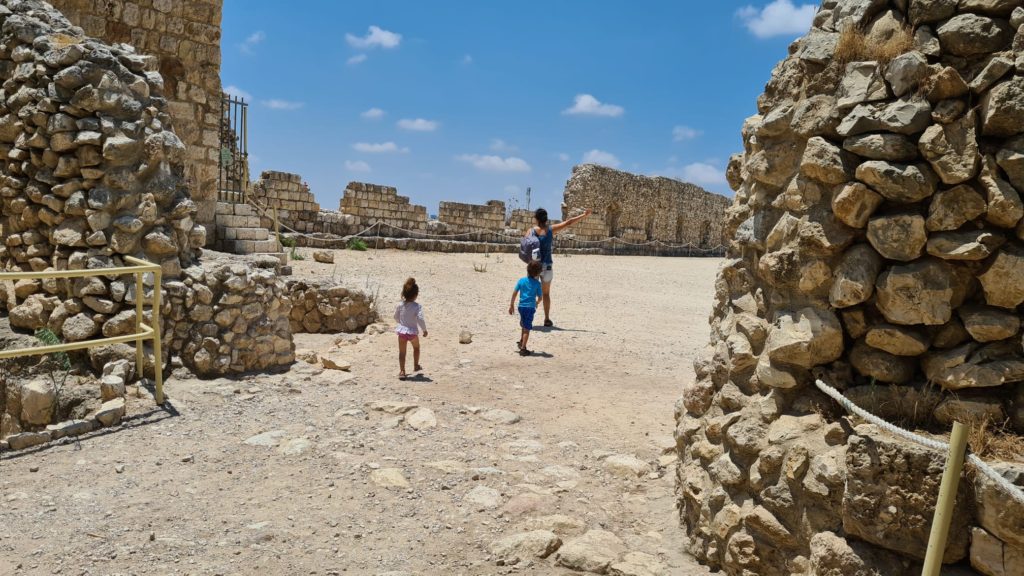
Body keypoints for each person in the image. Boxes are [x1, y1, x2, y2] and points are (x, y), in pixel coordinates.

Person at [528, 207, 592, 327]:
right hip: (547, 266)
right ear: (546, 218)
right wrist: (584, 215)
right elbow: (568, 222)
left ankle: (529, 318)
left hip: (534, 266)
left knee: (531, 292)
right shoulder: (551, 230)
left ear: (536, 218)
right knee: (546, 294)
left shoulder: (531, 231)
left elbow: (525, 245)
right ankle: (546, 319)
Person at [394, 277, 428, 380]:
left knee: (402, 352)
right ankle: (416, 365)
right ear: (416, 295)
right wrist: (424, 330)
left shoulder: (400, 305)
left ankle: (402, 371)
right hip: (412, 332)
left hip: (402, 332)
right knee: (416, 348)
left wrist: (400, 323)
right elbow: (420, 319)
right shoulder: (417, 306)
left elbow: (395, 316)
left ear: (404, 293)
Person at [509, 260, 543, 356]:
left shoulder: (521, 281)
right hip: (530, 308)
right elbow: (540, 297)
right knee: (527, 329)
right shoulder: (537, 284)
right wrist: (537, 302)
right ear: (538, 273)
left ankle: (521, 341)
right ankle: (523, 349)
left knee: (524, 325)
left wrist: (511, 305)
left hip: (521, 307)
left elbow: (515, 293)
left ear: (527, 270)